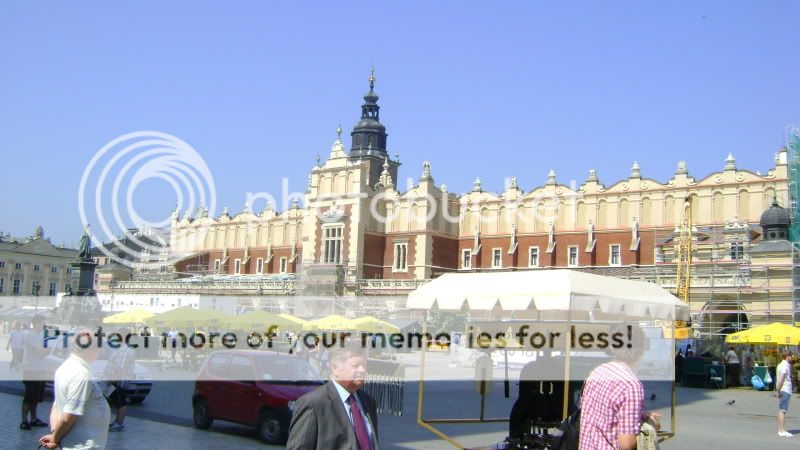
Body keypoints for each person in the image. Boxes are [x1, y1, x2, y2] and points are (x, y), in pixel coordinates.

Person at [579, 324, 661, 450]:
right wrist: (649, 425)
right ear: (642, 350)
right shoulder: (630, 386)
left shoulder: (597, 372)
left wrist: (640, 415)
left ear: (612, 347)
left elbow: (604, 415)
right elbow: (626, 444)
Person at [287, 342, 379, 450]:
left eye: (364, 366)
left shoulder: (368, 402)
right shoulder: (313, 404)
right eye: (356, 366)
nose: (362, 370)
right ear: (335, 368)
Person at [39, 326, 110, 450]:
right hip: (82, 445)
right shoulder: (81, 374)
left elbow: (57, 406)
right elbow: (69, 415)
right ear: (90, 350)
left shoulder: (65, 367)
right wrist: (55, 439)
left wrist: (54, 433)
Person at [103, 327, 136, 432]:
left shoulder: (123, 351)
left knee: (121, 401)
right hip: (120, 380)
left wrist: (113, 380)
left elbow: (120, 367)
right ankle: (117, 421)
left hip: (118, 381)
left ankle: (119, 423)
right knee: (119, 400)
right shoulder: (124, 349)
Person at [20, 316, 49, 430]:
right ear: (36, 323)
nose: (44, 325)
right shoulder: (31, 335)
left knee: (35, 397)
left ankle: (33, 419)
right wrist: (50, 349)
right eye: (42, 323)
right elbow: (40, 352)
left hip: (39, 369)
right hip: (31, 370)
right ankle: (24, 421)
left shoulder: (38, 336)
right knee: (29, 397)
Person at [776, 351, 794, 437]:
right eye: (791, 356)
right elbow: (781, 379)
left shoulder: (781, 364)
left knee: (781, 410)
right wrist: (778, 390)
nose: (792, 357)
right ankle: (782, 430)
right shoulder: (784, 366)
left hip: (783, 389)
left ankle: (780, 429)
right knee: (783, 410)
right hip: (785, 389)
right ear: (787, 356)